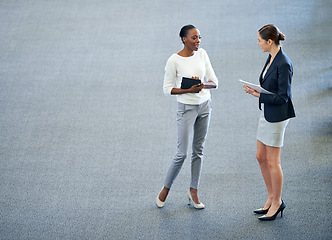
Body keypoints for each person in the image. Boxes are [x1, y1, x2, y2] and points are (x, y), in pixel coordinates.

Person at [156, 25, 218, 209]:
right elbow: (167, 89)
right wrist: (188, 90)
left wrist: (202, 86)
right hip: (186, 108)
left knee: (198, 150)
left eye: (199, 37)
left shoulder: (203, 54)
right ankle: (166, 189)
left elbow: (215, 82)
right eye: (194, 38)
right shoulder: (173, 60)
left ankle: (193, 191)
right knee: (181, 153)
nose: (198, 41)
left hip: (205, 106)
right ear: (184, 39)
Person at [243, 24, 295, 221]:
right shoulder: (271, 57)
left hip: (277, 116)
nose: (258, 43)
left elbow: (284, 97)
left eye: (259, 40)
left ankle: (277, 202)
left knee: (273, 161)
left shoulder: (284, 63)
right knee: (260, 156)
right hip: (266, 113)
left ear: (270, 41)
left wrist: (257, 94)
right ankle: (271, 197)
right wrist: (257, 92)